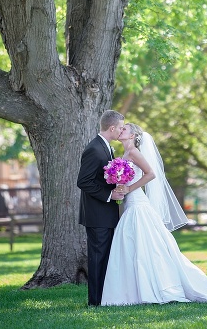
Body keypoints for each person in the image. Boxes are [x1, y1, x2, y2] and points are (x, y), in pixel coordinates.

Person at [101, 123, 207, 305]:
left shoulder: (134, 152)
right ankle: (133, 292)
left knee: (147, 247)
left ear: (133, 135)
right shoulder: (124, 155)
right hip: (129, 204)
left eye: (125, 129)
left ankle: (160, 287)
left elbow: (150, 174)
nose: (121, 131)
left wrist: (129, 188)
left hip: (138, 204)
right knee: (132, 246)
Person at [77, 109, 126, 307]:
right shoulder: (94, 149)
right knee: (97, 259)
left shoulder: (107, 148)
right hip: (97, 215)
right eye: (121, 128)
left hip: (105, 214)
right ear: (112, 128)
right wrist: (109, 195)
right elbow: (84, 181)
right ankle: (95, 302)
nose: (122, 131)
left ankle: (104, 298)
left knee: (105, 258)